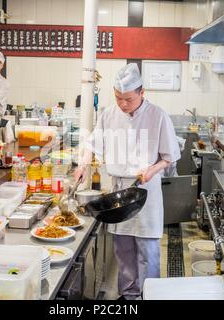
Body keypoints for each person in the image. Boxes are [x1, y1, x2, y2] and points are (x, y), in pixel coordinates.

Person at [74, 63, 181, 300]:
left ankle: (149, 295)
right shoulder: (109, 114)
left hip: (146, 188)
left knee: (147, 249)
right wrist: (83, 164)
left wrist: (153, 169)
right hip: (119, 188)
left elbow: (169, 157)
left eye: (128, 99)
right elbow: (92, 145)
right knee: (122, 247)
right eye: (118, 98)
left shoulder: (158, 116)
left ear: (142, 93)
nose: (123, 104)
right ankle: (129, 295)